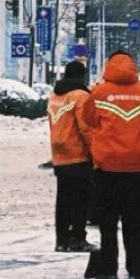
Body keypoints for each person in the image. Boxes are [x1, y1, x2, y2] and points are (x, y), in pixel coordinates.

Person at [78, 52, 140, 279]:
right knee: (133, 222)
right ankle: (136, 271)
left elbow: (89, 120)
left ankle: (109, 270)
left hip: (107, 164)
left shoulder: (99, 92)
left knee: (108, 221)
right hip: (135, 164)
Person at [47, 59, 94, 252]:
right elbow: (86, 128)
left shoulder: (54, 96)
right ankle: (77, 238)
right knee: (80, 199)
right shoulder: (81, 96)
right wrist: (96, 152)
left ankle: (61, 240)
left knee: (63, 200)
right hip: (78, 154)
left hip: (59, 154)